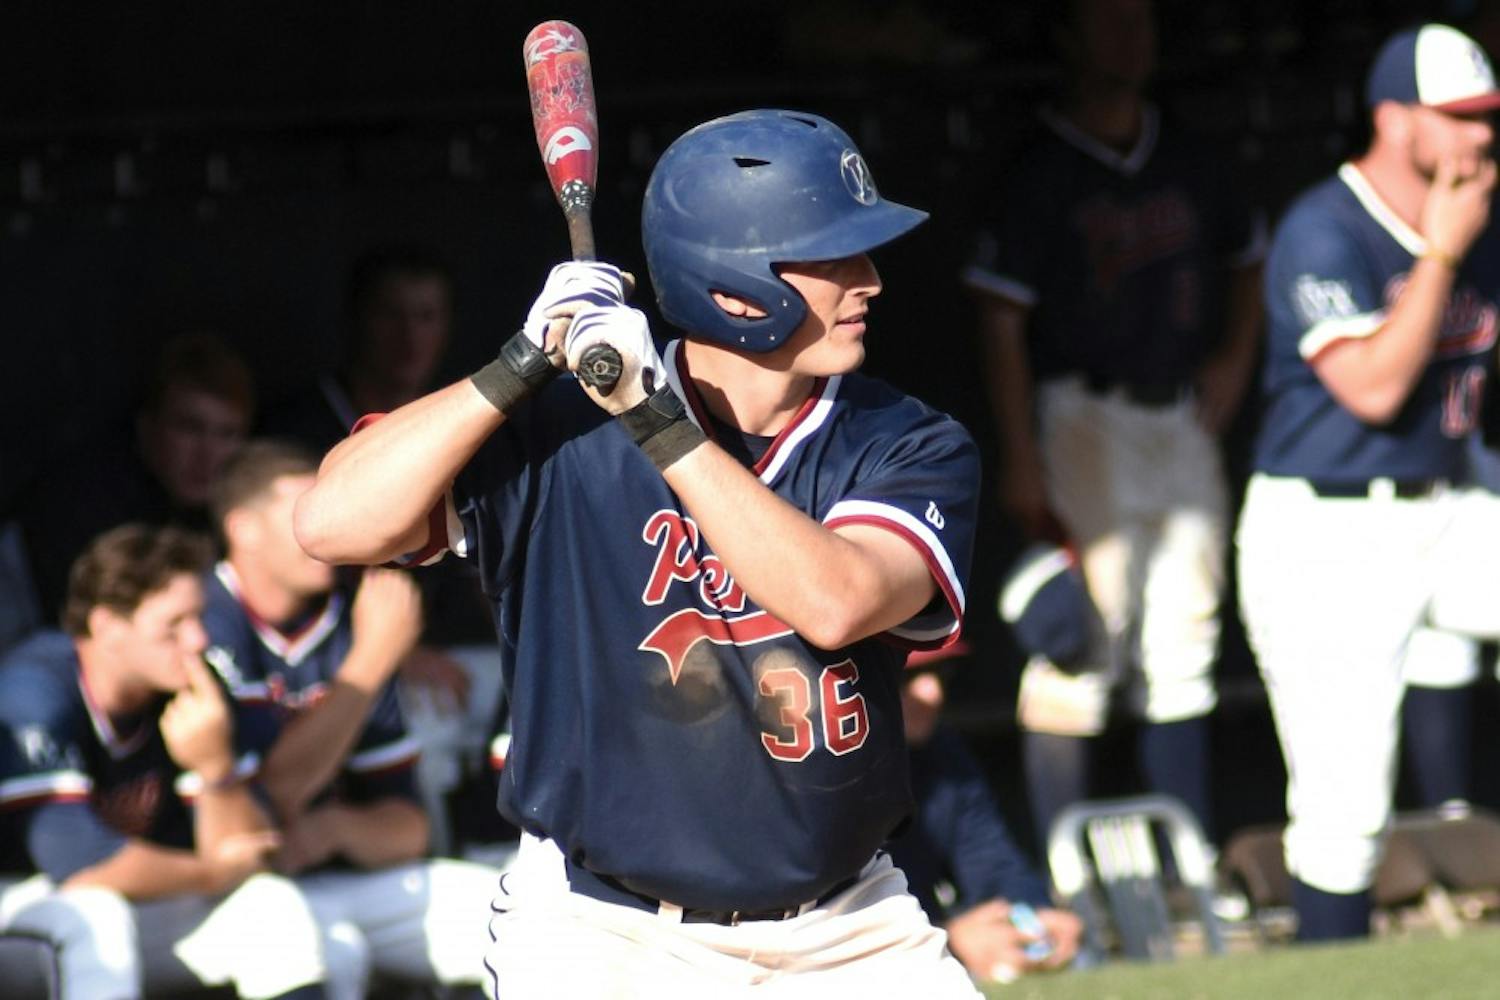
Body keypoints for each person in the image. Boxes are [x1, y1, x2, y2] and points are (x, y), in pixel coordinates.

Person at [293, 109, 983, 996]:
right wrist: (518, 364)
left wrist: (654, 423)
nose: (872, 281)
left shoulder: (907, 441)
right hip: (605, 933)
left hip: (848, 925)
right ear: (736, 288)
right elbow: (333, 524)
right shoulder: (560, 429)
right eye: (834, 258)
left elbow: (836, 599)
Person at [964, 0, 1265, 852]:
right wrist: (1021, 451)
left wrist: (1235, 361)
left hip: (1177, 412)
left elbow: (1249, 256)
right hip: (1081, 414)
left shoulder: (1186, 153)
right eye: (1109, 19)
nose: (1131, 36)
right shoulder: (1041, 164)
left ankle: (1193, 860)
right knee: (1081, 642)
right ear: (1069, 34)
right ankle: (1063, 865)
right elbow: (998, 318)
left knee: (1186, 637)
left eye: (1143, 18)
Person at [1237, 22, 1500, 941]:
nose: (1479, 135)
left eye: (1486, 116)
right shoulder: (1326, 225)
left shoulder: (1476, 212)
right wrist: (1440, 253)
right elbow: (1377, 388)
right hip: (1327, 532)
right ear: (1395, 119)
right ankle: (1330, 965)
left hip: (1450, 505)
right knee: (1346, 807)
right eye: (1458, 116)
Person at [201, 439, 500, 998]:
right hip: (223, 890)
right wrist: (372, 660)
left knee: (499, 916)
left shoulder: (343, 621)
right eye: (303, 510)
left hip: (328, 870)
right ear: (243, 529)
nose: (324, 525)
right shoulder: (200, 622)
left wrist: (333, 828)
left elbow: (408, 829)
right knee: (304, 939)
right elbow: (266, 802)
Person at [0, 523, 328, 999]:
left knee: (269, 907)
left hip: (132, 895)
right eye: (173, 625)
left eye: (199, 618)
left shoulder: (189, 685)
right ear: (106, 626)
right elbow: (79, 862)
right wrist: (215, 872)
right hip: (21, 897)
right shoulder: (36, 687)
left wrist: (216, 771)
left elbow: (253, 854)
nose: (197, 640)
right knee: (96, 917)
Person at [17, 332, 255, 624]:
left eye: (227, 434)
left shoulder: (239, 515)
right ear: (147, 427)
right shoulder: (84, 503)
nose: (207, 453)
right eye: (189, 428)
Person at [888, 650, 1083, 983]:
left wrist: (1031, 915)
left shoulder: (942, 752)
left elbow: (991, 859)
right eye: (907, 676)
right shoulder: (814, 772)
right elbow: (821, 924)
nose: (933, 692)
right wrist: (946, 937)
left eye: (941, 672)